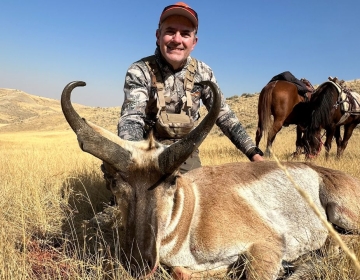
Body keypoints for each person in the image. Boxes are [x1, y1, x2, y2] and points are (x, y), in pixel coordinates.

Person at [117, 2, 264, 174]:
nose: (177, 40)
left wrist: (253, 153)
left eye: (185, 34)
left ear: (194, 42)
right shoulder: (139, 70)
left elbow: (224, 115)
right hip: (145, 150)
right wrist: (135, 159)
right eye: (170, 31)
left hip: (185, 154)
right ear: (158, 36)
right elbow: (131, 117)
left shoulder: (204, 72)